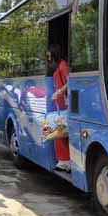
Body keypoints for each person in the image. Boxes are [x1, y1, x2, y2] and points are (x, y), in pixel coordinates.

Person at [49, 44, 71, 172]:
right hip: (60, 103)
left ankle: (65, 161)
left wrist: (58, 92)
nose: (48, 58)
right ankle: (63, 161)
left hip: (63, 104)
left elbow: (69, 82)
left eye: (49, 55)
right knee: (59, 132)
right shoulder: (60, 66)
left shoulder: (63, 66)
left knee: (60, 132)